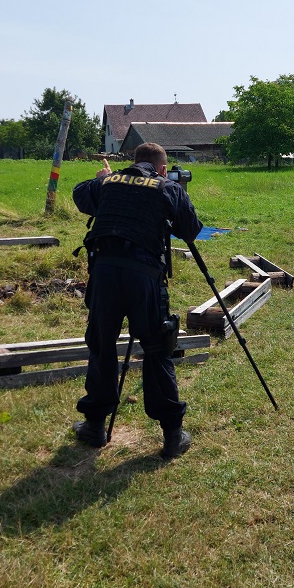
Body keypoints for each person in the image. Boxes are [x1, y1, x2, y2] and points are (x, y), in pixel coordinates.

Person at [72, 142, 203, 459]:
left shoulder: (108, 181)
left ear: (133, 162)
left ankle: (94, 425)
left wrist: (104, 177)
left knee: (102, 346)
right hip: (143, 277)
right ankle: (172, 435)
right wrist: (174, 192)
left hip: (103, 274)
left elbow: (80, 195)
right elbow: (191, 230)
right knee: (157, 349)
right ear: (161, 168)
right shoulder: (166, 186)